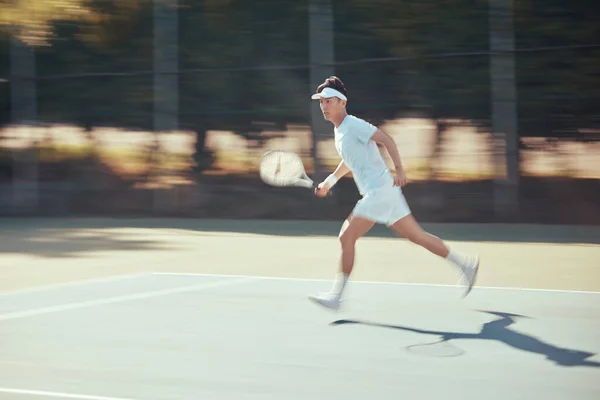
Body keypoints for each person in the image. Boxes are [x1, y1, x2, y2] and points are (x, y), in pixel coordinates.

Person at [307, 76, 480, 311]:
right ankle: (466, 265)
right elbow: (349, 160)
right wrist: (330, 182)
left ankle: (337, 297)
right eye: (321, 102)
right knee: (417, 236)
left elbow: (386, 139)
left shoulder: (353, 125)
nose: (323, 106)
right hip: (384, 192)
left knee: (346, 238)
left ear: (342, 102)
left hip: (379, 191)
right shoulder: (340, 132)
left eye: (328, 101)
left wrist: (399, 169)